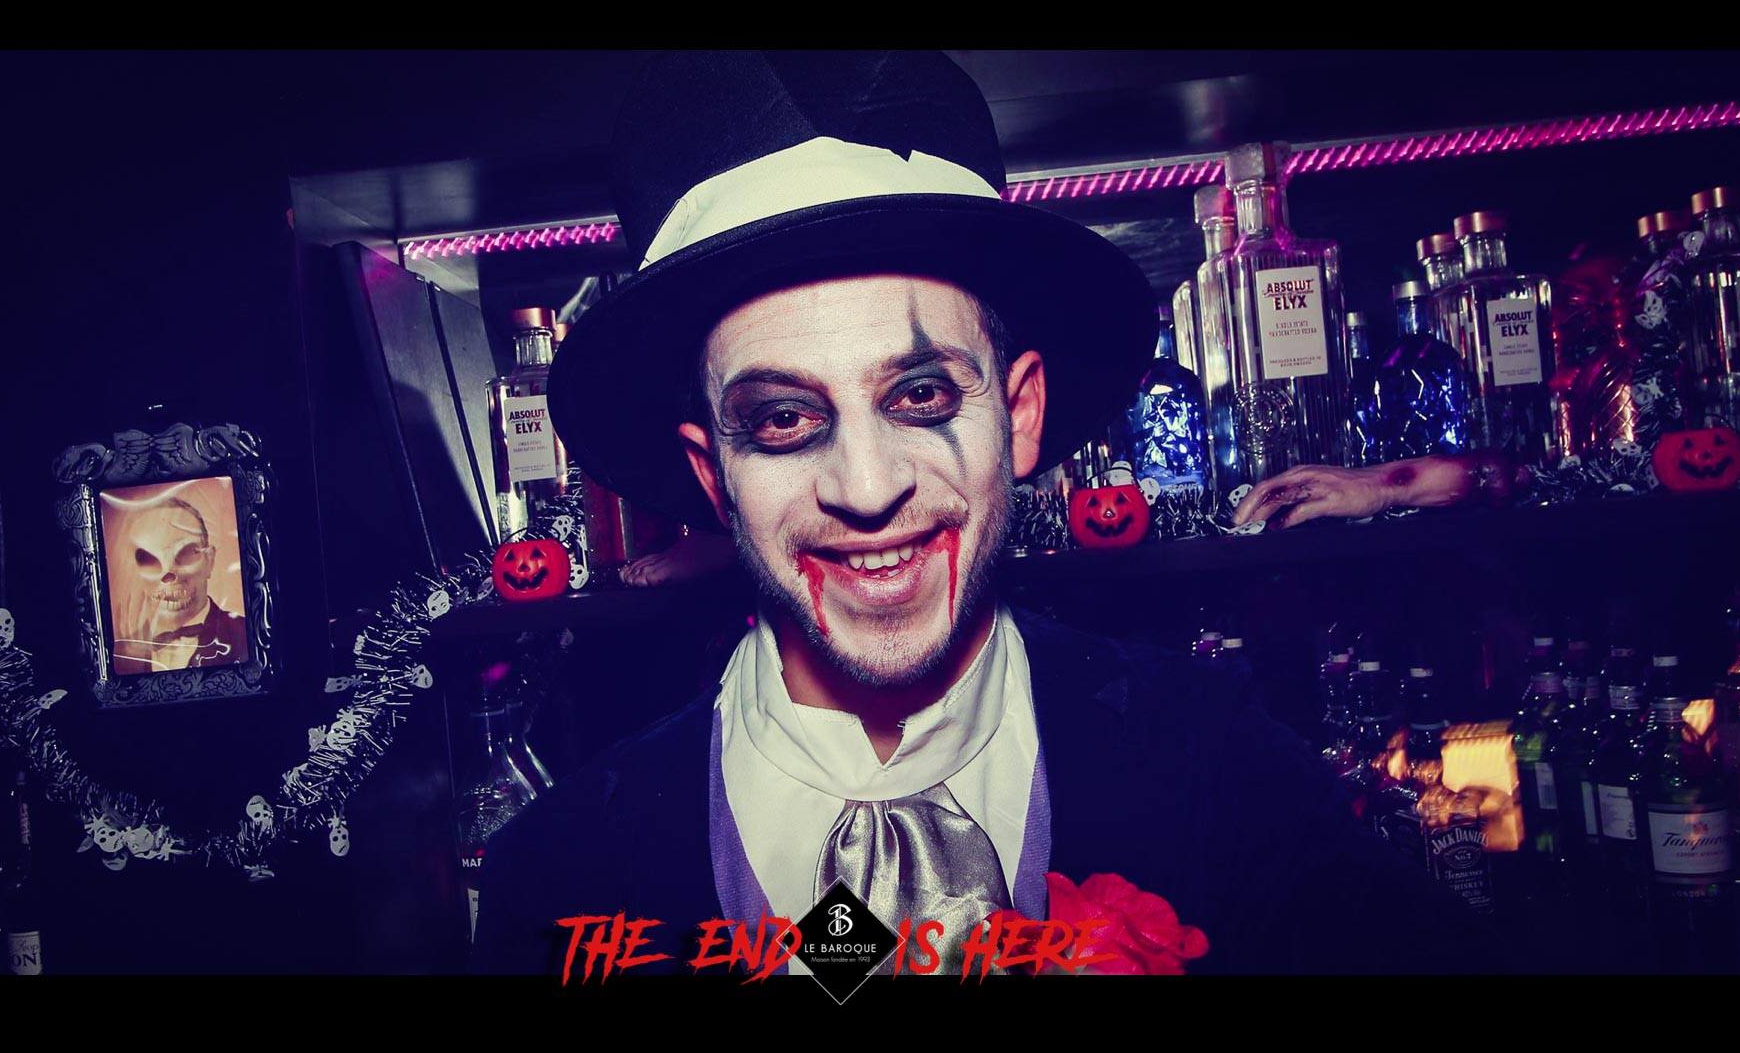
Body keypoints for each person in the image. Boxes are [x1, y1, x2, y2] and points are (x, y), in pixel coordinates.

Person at [473, 50, 1505, 977]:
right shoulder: (562, 881)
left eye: (921, 395)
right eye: (784, 418)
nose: (867, 489)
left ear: (1019, 416)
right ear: (713, 474)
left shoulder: (1221, 771)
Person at [111, 496, 247, 674]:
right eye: (148, 559)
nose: (169, 574)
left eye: (187, 552)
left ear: (209, 560)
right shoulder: (119, 655)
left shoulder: (245, 636)